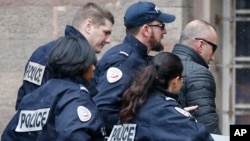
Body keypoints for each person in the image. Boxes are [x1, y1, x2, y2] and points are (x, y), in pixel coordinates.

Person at [91, 1, 175, 135]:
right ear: (146, 30)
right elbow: (104, 112)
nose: (164, 31)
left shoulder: (139, 58)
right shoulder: (125, 61)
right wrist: (142, 128)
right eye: (161, 26)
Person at [2, 36, 105, 141]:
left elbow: (9, 136)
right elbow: (74, 136)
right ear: (81, 66)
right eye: (92, 63)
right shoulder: (75, 97)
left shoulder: (34, 96)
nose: (94, 68)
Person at [15, 2, 114, 110]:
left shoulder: (42, 52)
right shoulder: (76, 60)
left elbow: (24, 101)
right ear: (89, 26)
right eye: (106, 32)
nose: (108, 40)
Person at [107, 52, 213, 141]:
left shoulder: (136, 103)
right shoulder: (163, 111)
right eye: (182, 78)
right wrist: (181, 116)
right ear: (175, 81)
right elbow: (200, 136)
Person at [172, 19, 221, 134]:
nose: (213, 57)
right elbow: (208, 128)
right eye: (213, 49)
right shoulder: (199, 74)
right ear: (200, 45)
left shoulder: (155, 65)